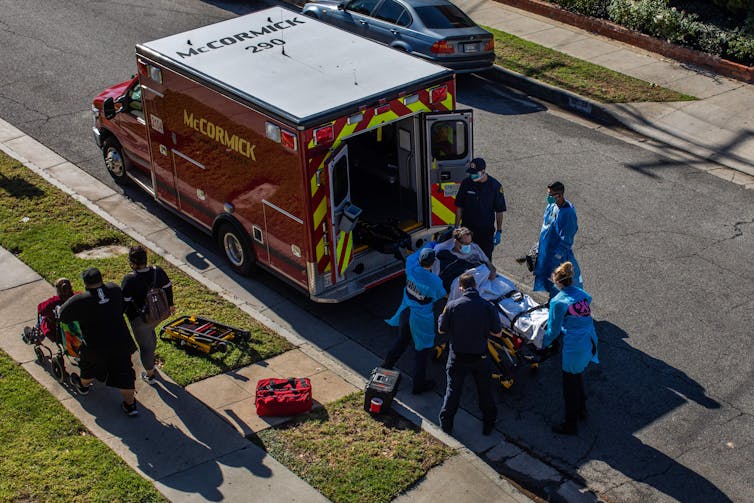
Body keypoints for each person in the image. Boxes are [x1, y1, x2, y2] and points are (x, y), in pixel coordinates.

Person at [58, 267, 139, 416]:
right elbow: (121, 306)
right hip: (120, 342)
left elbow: (63, 315)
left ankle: (83, 386)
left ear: (85, 284)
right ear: (101, 279)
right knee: (125, 373)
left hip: (95, 346)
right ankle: (130, 405)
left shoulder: (80, 300)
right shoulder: (114, 289)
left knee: (89, 367)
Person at [437, 273, 502, 435]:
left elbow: (441, 330)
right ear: (475, 286)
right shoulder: (487, 307)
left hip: (457, 357)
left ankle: (446, 425)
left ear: (461, 288)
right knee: (484, 392)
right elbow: (498, 333)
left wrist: (442, 317)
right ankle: (488, 424)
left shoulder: (452, 306)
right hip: (480, 357)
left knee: (452, 392)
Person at [541, 262, 598, 435]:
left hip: (575, 345)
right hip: (589, 339)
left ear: (557, 282)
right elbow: (587, 302)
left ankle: (570, 424)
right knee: (577, 375)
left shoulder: (558, 302)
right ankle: (582, 410)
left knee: (569, 385)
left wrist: (542, 344)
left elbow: (553, 330)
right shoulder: (582, 294)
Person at [383, 247, 447, 394]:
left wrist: (431, 244)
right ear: (432, 264)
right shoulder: (434, 281)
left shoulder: (411, 265)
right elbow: (440, 295)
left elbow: (415, 255)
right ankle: (419, 385)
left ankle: (387, 365)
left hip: (406, 311)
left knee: (402, 340)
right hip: (420, 318)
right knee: (422, 350)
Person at [121, 245, 175, 384]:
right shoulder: (158, 271)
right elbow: (168, 287)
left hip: (141, 319)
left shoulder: (129, 279)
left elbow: (125, 302)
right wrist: (170, 305)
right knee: (150, 335)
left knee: (144, 346)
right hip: (160, 314)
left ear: (132, 262)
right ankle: (152, 353)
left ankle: (150, 375)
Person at [534, 181, 582, 299]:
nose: (548, 198)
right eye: (548, 194)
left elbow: (567, 237)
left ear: (560, 195)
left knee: (561, 282)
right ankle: (553, 300)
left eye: (551, 195)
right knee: (550, 281)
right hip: (547, 251)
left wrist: (557, 257)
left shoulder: (568, 213)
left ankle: (561, 306)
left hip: (558, 255)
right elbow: (546, 226)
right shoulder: (552, 206)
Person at [454, 157, 507, 260]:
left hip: (485, 232)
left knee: (485, 260)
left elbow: (499, 211)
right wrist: (456, 227)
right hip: (467, 231)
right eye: (471, 173)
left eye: (475, 173)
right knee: (465, 258)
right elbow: (459, 206)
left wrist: (499, 231)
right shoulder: (466, 183)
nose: (472, 176)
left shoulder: (495, 186)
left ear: (483, 171)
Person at [36, 278, 76, 342]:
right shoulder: (79, 296)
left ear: (58, 290)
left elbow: (40, 309)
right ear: (71, 287)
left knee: (42, 316)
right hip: (80, 330)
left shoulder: (52, 302)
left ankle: (37, 332)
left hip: (60, 335)